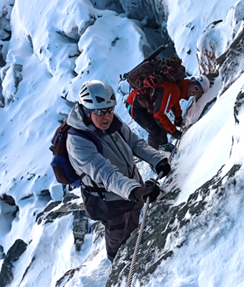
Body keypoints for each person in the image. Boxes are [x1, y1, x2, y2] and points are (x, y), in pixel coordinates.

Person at [66, 80, 171, 262]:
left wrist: (157, 159)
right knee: (118, 234)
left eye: (110, 109)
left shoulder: (111, 122)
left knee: (135, 219)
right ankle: (117, 264)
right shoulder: (77, 141)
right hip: (109, 200)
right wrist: (135, 191)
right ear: (87, 111)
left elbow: (134, 143)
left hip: (131, 188)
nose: (107, 116)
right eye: (99, 112)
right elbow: (106, 174)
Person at [126, 75, 210, 150]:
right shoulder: (173, 89)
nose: (195, 93)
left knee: (160, 127)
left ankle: (163, 146)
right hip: (135, 107)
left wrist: (178, 118)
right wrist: (174, 132)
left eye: (198, 93)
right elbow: (159, 115)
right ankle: (153, 159)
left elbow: (174, 102)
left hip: (144, 105)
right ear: (191, 81)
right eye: (196, 88)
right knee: (155, 130)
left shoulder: (179, 87)